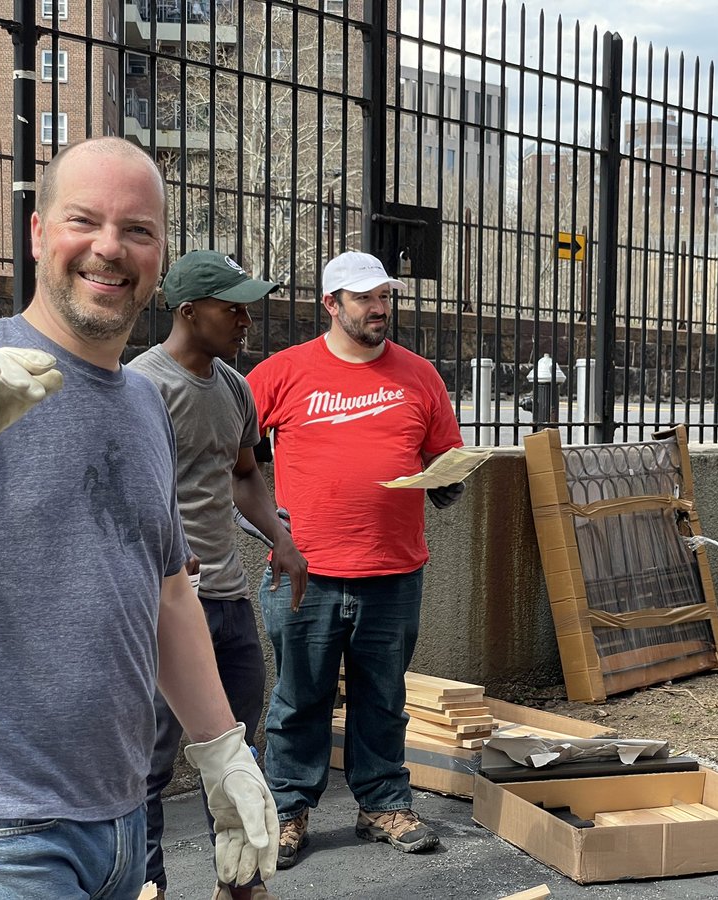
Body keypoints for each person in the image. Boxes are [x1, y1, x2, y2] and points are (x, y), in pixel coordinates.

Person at [0, 137, 278, 900]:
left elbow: (170, 591)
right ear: (40, 233)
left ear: (160, 254)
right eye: (85, 221)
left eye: (137, 229)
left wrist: (220, 752)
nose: (110, 248)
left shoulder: (145, 402)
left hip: (116, 827)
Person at [245, 251, 465, 869]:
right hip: (303, 572)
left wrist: (446, 481)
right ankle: (287, 811)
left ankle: (383, 805)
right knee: (297, 697)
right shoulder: (281, 373)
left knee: (383, 695)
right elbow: (236, 457)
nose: (378, 309)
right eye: (364, 298)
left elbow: (445, 454)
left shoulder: (419, 376)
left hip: (394, 570)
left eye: (385, 297)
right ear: (331, 304)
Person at [128, 250, 308, 900]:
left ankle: (237, 886)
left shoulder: (235, 387)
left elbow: (243, 474)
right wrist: (160, 556)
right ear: (186, 310)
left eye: (246, 304)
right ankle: (144, 887)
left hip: (229, 603)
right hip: (167, 605)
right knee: (145, 766)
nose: (244, 317)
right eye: (229, 306)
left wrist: (280, 539)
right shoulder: (139, 387)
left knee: (235, 759)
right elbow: (119, 492)